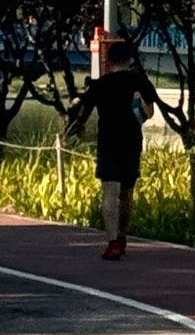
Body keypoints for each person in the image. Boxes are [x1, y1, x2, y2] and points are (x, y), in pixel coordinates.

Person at [65, 32, 160, 260]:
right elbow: (150, 108)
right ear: (130, 60)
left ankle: (112, 241)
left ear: (108, 61)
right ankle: (123, 236)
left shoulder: (101, 84)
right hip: (131, 141)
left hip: (107, 142)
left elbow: (83, 109)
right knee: (126, 192)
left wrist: (77, 126)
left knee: (109, 191)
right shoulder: (138, 81)